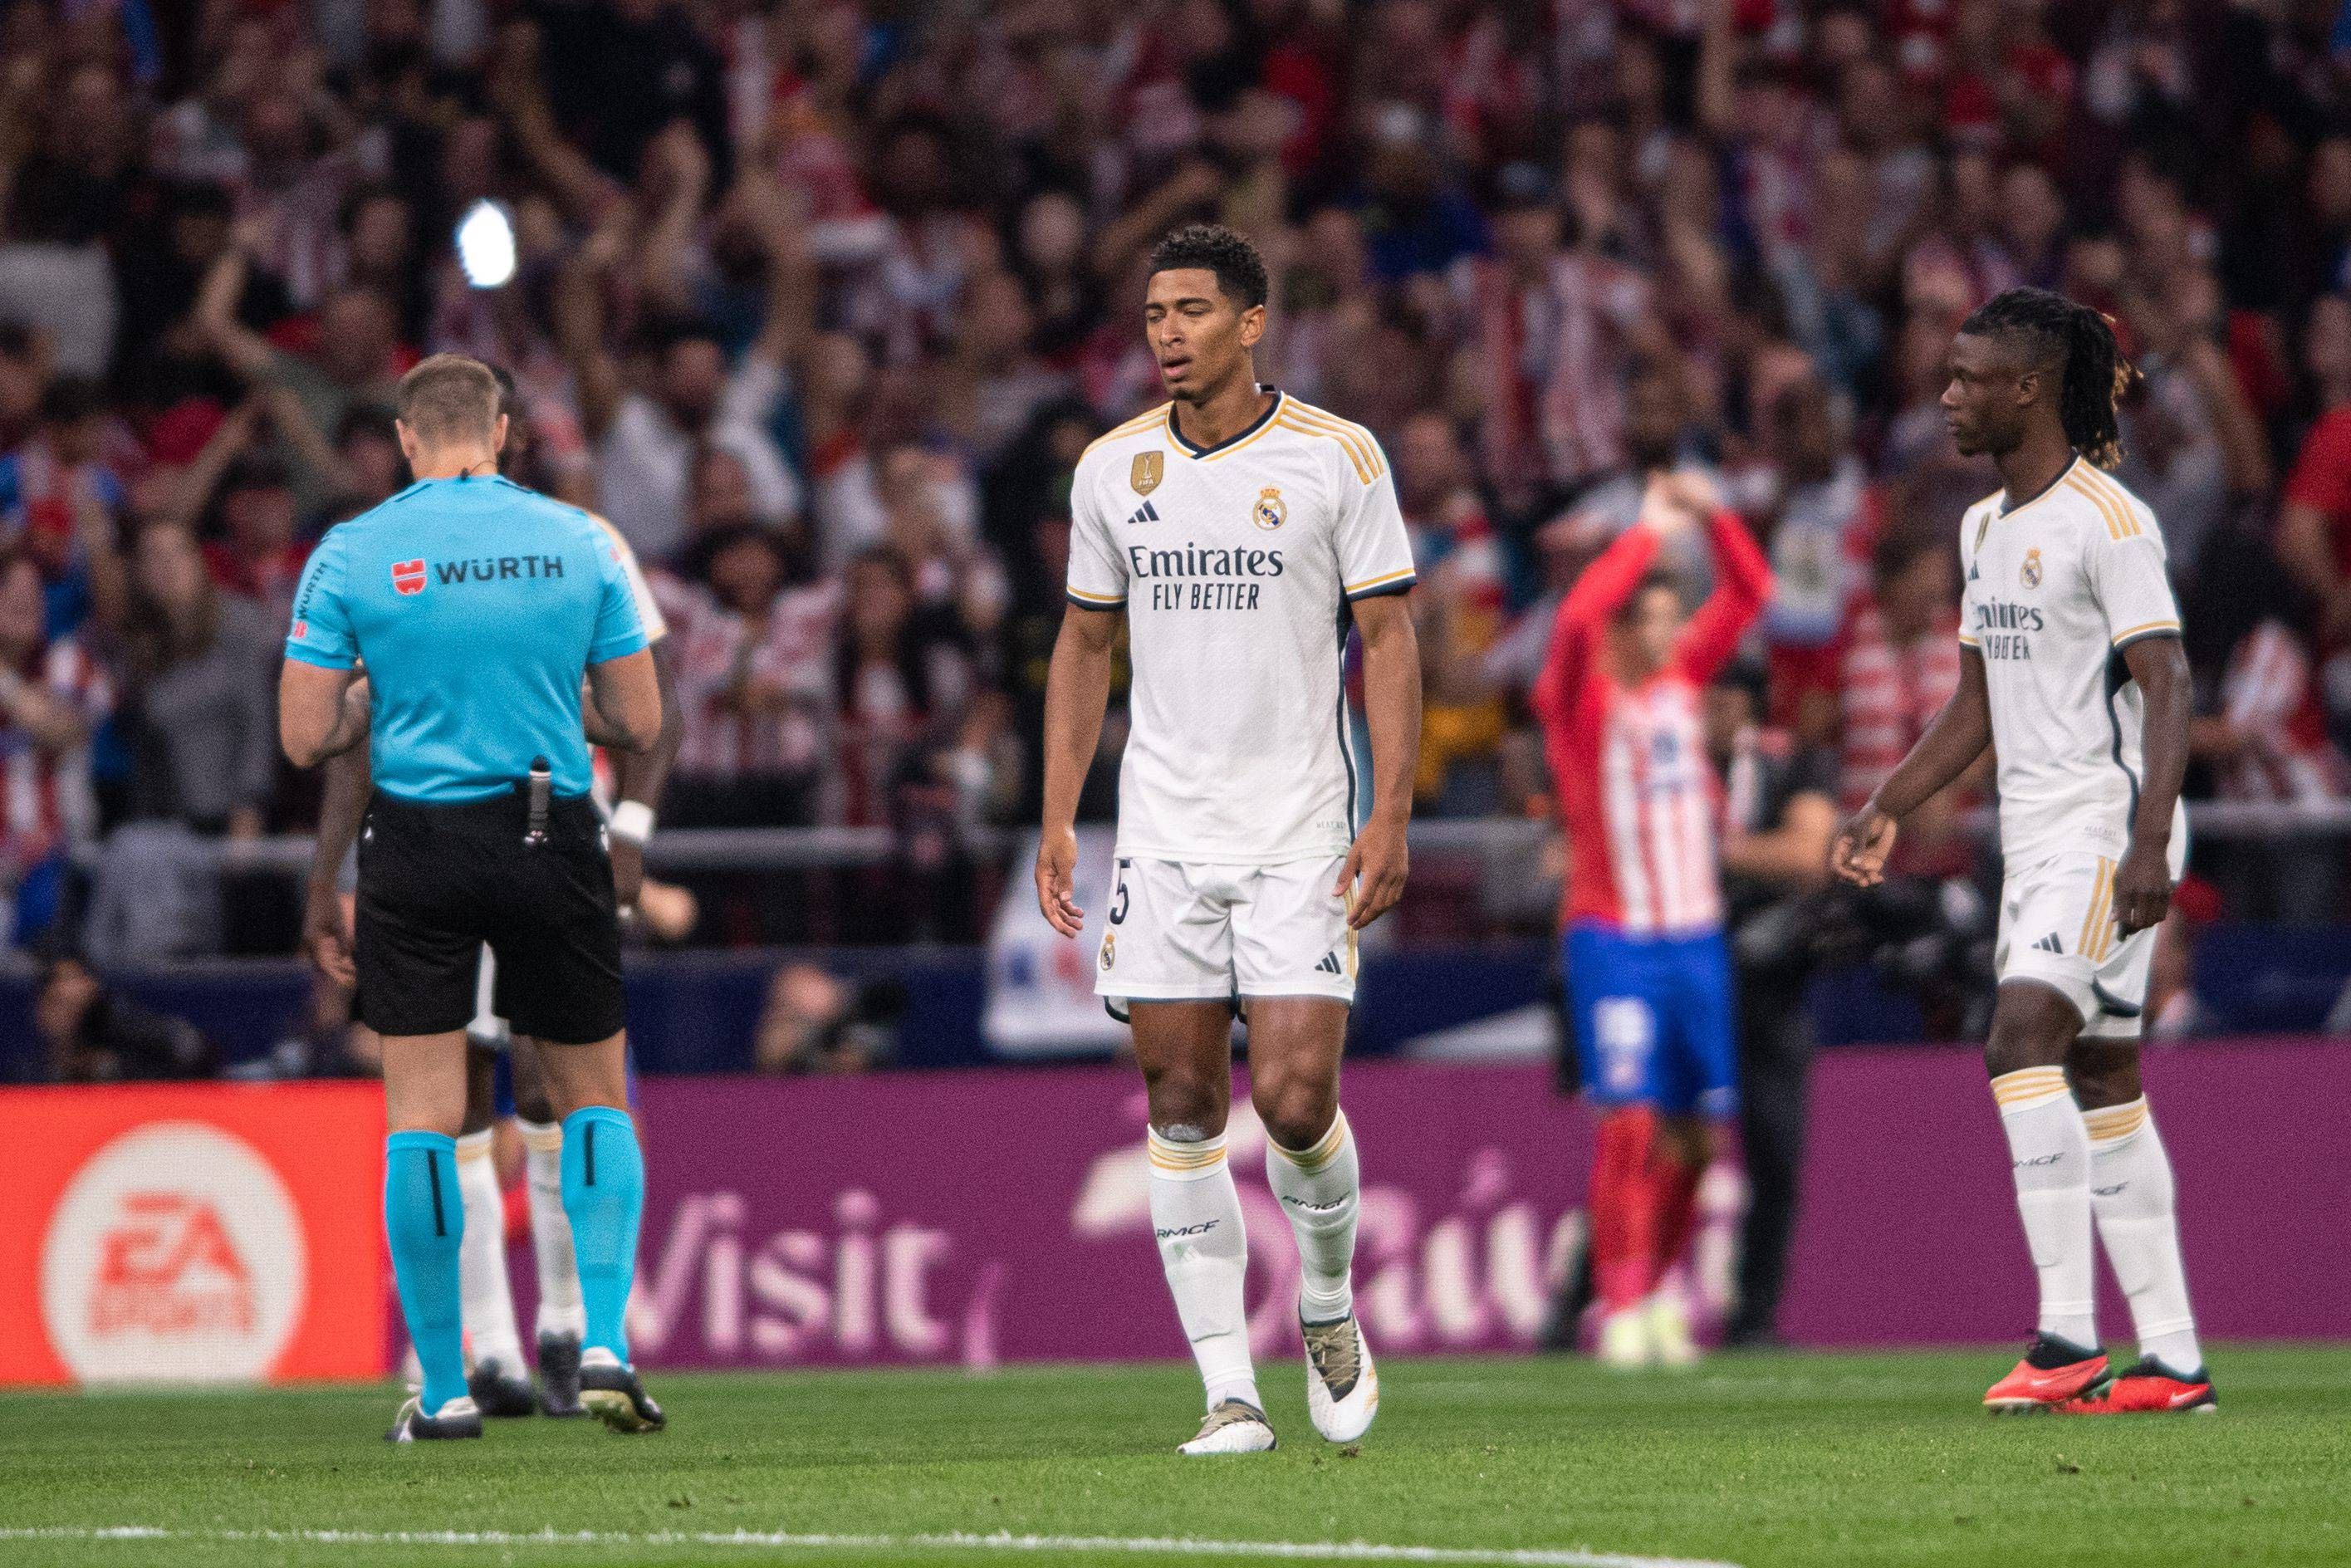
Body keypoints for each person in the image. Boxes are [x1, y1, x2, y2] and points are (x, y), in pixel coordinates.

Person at [1035, 224, 1421, 1455]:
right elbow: (1084, 643)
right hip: (1162, 829)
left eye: (1191, 311)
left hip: (1299, 825)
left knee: (1296, 1100)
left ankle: (1322, 1303)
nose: (1166, 334)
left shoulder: (1333, 459)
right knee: (1182, 1099)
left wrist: (1392, 809)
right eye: (1153, 313)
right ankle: (1226, 1393)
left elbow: (1392, 639)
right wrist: (1056, 812)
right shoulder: (1110, 471)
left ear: (1252, 324)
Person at [1832, 287, 2212, 1414]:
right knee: (2099, 1076)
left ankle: (2061, 1341)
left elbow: (2168, 682)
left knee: (2017, 1039)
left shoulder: (2106, 519)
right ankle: (2175, 1361)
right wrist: (1888, 802)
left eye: (1965, 378)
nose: (1945, 397)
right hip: (2034, 825)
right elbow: (1974, 701)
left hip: (2105, 819)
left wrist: (2147, 842)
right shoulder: (1982, 528)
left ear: (2028, 387)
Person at [278, 353, 665, 1441]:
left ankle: (445, 1389)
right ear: (499, 431)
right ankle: (600, 1340)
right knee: (590, 1094)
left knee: (426, 1120)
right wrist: (537, 694)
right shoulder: (579, 541)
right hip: (548, 829)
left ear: (406, 440)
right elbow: (637, 721)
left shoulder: (351, 552)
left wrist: (383, 703)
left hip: (414, 846)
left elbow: (306, 736)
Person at [1532, 470, 1771, 1370]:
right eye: (1650, 616)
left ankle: (1664, 1288)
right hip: (1613, 937)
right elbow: (1568, 626)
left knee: (1696, 1134)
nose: (1669, 632)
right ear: (1621, 628)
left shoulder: (1682, 685)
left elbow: (1752, 591)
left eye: (1674, 615)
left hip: (1695, 940)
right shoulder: (1582, 708)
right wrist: (1643, 533)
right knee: (1625, 1121)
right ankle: (1620, 1300)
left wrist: (1710, 514)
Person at [1704, 657, 1839, 1349]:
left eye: (1721, 695)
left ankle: (1753, 1316)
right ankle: (1588, 1298)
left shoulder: (1795, 767)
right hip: (1690, 973)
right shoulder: (1671, 765)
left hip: (1770, 982)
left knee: (1776, 1155)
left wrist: (1710, 850)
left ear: (1749, 706)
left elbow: (1809, 854)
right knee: (1653, 1145)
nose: (1709, 709)